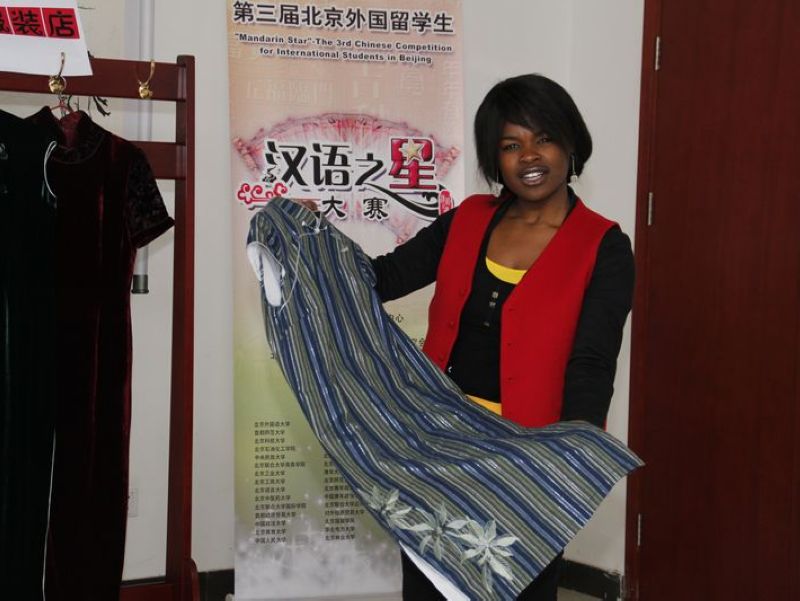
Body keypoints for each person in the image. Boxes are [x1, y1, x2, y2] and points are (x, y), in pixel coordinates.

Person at [369, 74, 635, 600]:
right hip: (438, 441)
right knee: (429, 581)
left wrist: (570, 456)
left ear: (571, 144)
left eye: (544, 138)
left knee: (520, 586)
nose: (529, 156)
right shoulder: (467, 219)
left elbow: (592, 360)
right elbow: (384, 277)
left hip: (527, 456)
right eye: (511, 144)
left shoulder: (603, 245)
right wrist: (307, 237)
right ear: (496, 157)